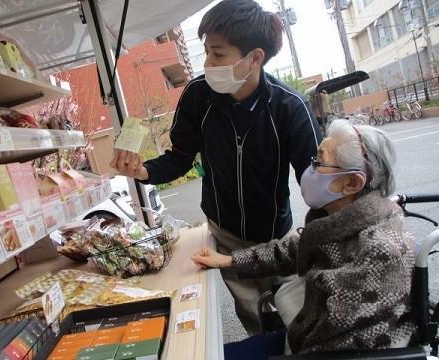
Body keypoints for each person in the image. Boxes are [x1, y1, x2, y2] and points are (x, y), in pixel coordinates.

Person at [110, 0, 321, 335]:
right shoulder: (198, 95)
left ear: (255, 58)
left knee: (293, 316)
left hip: (275, 236)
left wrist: (316, 240)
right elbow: (180, 157)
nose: (207, 63)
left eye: (218, 54)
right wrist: (143, 171)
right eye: (206, 52)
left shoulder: (289, 108)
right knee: (253, 318)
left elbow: (317, 185)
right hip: (223, 233)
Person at [192, 119, 416, 358]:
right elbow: (295, 249)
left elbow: (330, 343)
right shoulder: (344, 221)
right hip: (304, 336)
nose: (311, 169)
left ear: (351, 183)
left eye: (320, 161)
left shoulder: (379, 252)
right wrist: (229, 261)